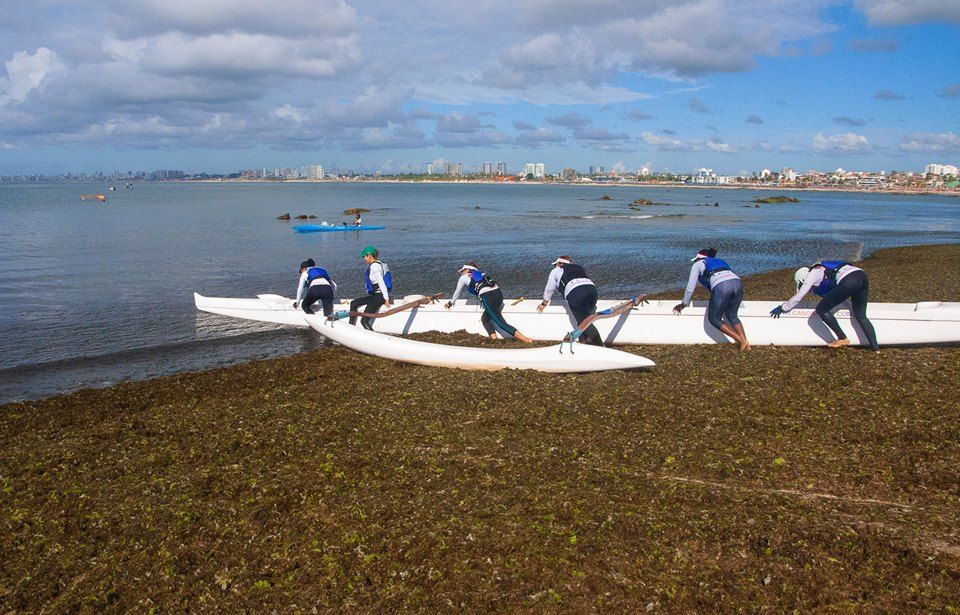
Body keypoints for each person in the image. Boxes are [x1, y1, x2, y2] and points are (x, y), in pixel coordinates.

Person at [770, 260, 878, 351]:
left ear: (803, 279)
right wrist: (851, 309)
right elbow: (840, 298)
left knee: (821, 309)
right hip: (862, 275)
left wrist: (783, 307)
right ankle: (875, 349)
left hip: (849, 279)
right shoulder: (827, 273)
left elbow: (799, 296)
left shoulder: (813, 273)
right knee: (861, 315)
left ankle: (842, 338)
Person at [672, 248, 750, 350]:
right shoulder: (720, 261)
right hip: (737, 283)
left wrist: (683, 304)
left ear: (698, 259)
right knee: (732, 316)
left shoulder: (697, 265)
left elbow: (691, 287)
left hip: (722, 286)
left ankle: (740, 340)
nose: (695, 262)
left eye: (695, 260)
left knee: (714, 319)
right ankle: (746, 345)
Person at [444, 262, 533, 343]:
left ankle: (526, 339)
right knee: (485, 319)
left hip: (488, 296)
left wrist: (451, 303)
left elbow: (457, 292)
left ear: (467, 269)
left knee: (500, 322)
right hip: (498, 294)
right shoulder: (482, 274)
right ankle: (494, 339)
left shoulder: (463, 277)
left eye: (462, 271)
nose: (461, 273)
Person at [537, 256, 602, 346]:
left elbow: (549, 288)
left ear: (560, 263)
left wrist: (544, 303)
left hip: (576, 293)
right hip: (592, 290)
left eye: (555, 265)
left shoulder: (556, 270)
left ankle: (600, 346)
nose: (555, 266)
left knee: (585, 322)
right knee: (583, 318)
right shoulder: (579, 267)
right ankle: (583, 343)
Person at [349, 246, 392, 330]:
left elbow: (381, 282)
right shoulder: (381, 263)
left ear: (369, 255)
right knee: (353, 303)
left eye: (364, 256)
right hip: (376, 296)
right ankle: (350, 328)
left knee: (364, 321)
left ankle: (373, 338)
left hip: (379, 297)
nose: (364, 259)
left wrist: (386, 298)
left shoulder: (374, 267)